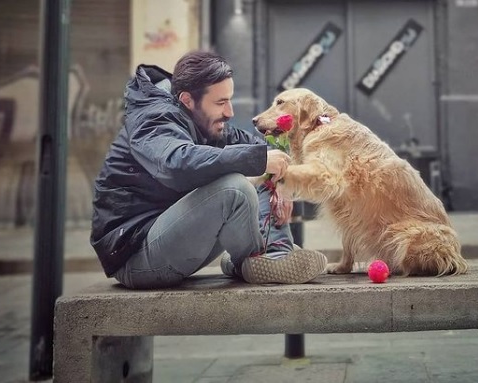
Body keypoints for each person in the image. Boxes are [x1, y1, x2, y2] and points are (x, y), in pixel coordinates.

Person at [90, 50, 327, 289]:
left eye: (229, 100)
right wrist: (259, 160)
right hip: (136, 253)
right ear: (187, 100)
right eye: (221, 102)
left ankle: (276, 254)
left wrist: (281, 180)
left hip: (175, 240)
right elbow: (176, 164)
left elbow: (257, 149)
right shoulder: (153, 120)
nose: (230, 112)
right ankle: (257, 259)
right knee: (235, 187)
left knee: (262, 167)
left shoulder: (204, 122)